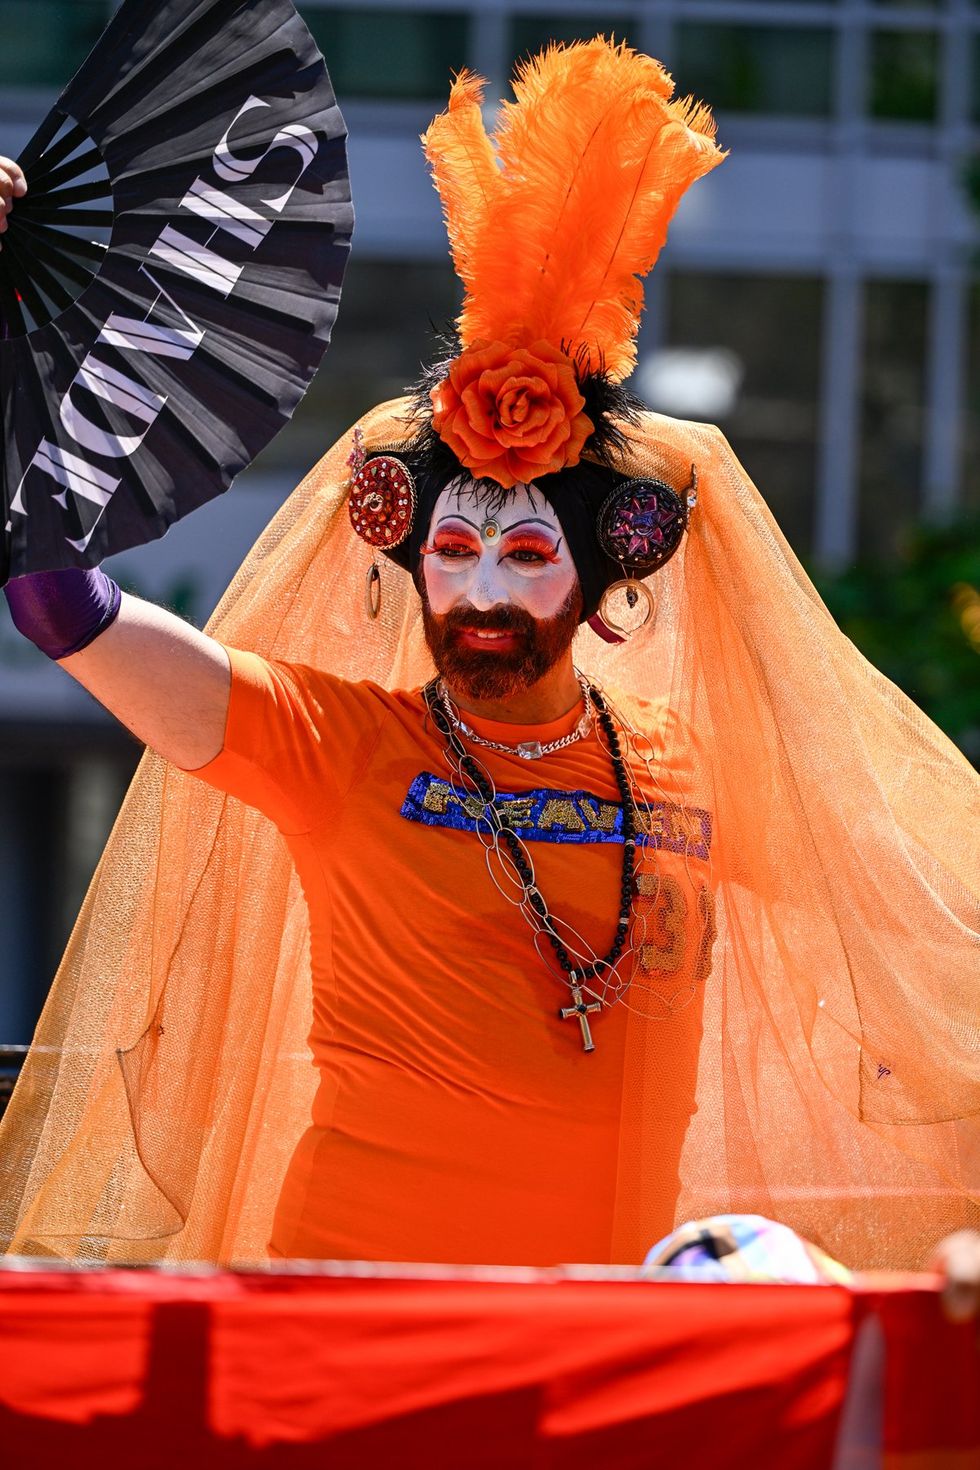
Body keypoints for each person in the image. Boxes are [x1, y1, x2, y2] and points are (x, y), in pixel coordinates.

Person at [1, 42, 978, 1310]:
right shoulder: (334, 742)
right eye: (452, 551)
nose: (478, 591)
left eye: (525, 553)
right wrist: (21, 337)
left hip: (593, 1339)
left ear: (604, 579)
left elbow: (928, 930)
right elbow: (63, 609)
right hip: (348, 1321)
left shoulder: (693, 764)